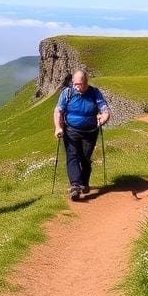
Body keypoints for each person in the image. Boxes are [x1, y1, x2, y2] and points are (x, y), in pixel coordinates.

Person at [53, 69, 110, 201]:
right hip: (71, 130)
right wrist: (58, 127)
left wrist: (104, 117)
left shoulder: (94, 93)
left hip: (90, 131)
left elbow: (104, 108)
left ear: (87, 82)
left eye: (82, 84)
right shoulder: (67, 93)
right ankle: (75, 186)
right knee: (72, 156)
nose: (79, 87)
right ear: (73, 82)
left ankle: (84, 183)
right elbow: (58, 110)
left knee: (85, 157)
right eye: (77, 84)